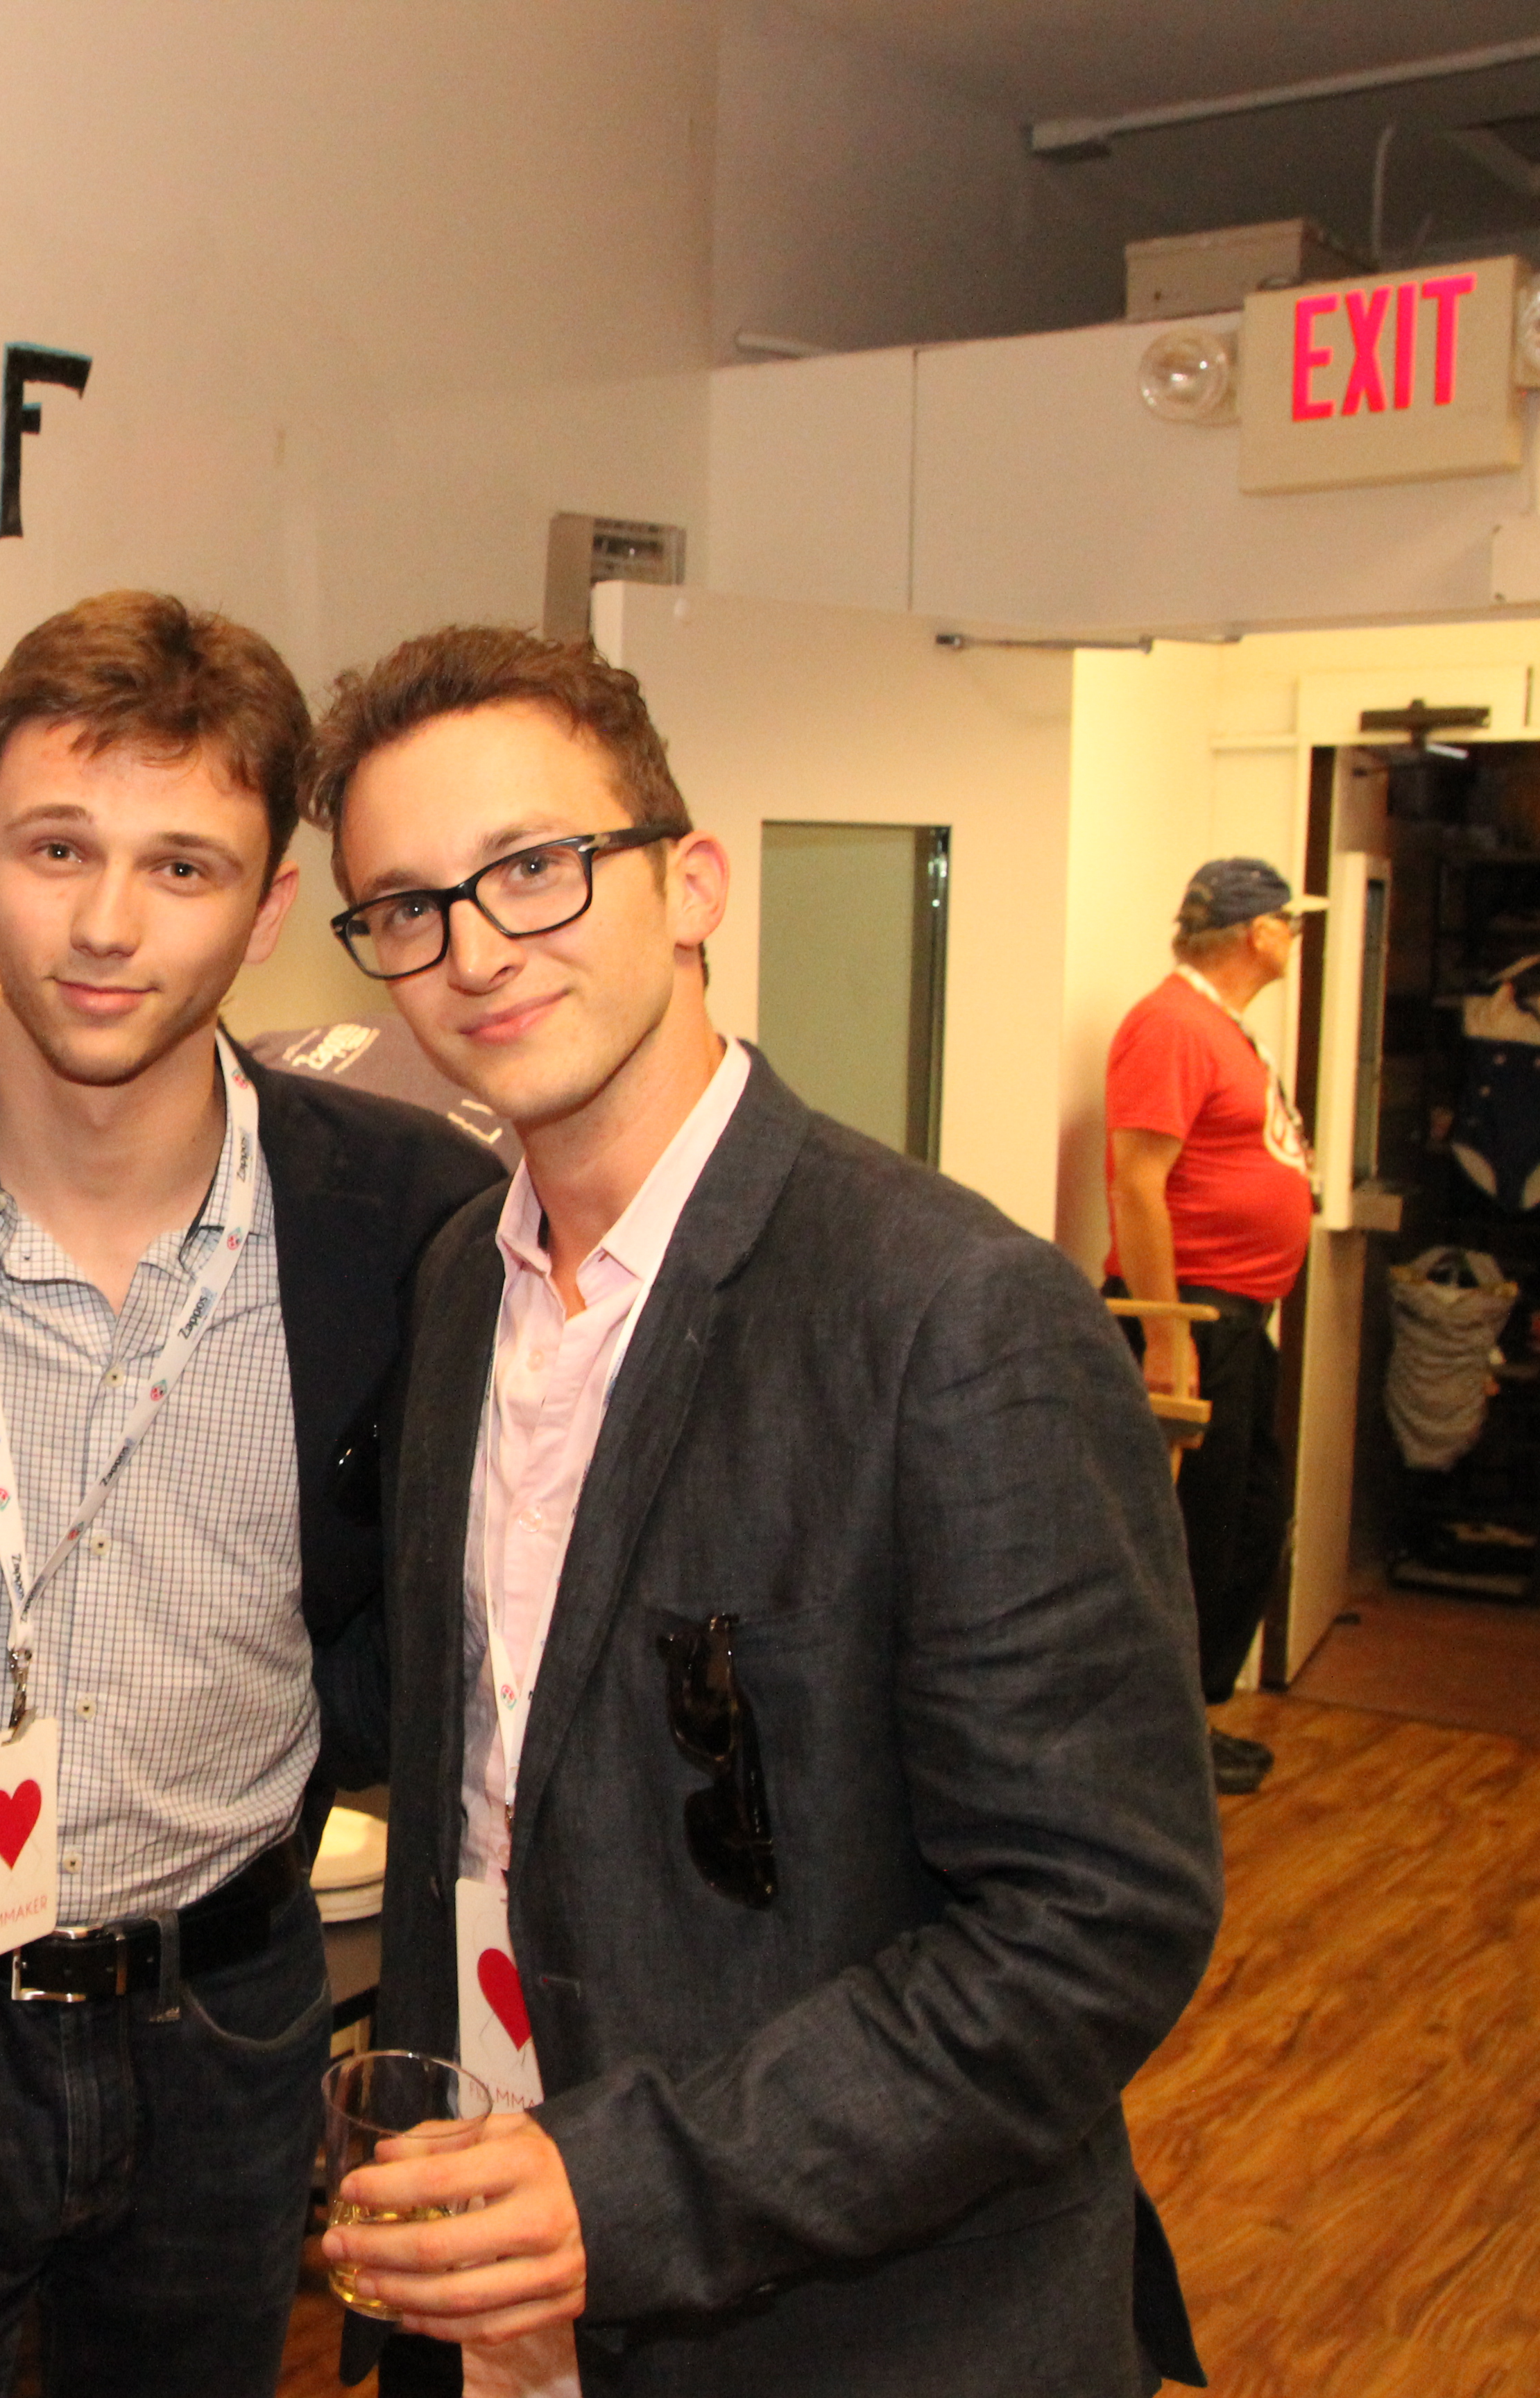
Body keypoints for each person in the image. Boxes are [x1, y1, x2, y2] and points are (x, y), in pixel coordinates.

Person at [302, 627, 1223, 2397]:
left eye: (537, 869)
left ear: (693, 880)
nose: (476, 948)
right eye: (407, 905)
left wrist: (629, 2188)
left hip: (852, 2325)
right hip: (478, 2280)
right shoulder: (453, 1290)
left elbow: (1092, 1922)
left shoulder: (947, 1312)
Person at [0, 593, 502, 2397]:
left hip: (224, 2024)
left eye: (182, 866)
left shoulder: (402, 1214)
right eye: (57, 848)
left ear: (268, 898)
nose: (104, 924)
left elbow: (432, 1598)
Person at [1106, 859, 1319, 1799]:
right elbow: (1138, 1181)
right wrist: (1164, 1337)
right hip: (1193, 1317)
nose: (1294, 938)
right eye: (1289, 921)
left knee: (1249, 1523)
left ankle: (1189, 1725)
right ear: (1252, 932)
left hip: (1238, 1319)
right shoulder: (1171, 1025)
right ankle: (1154, 1747)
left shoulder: (1218, 1029)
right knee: (1186, 1540)